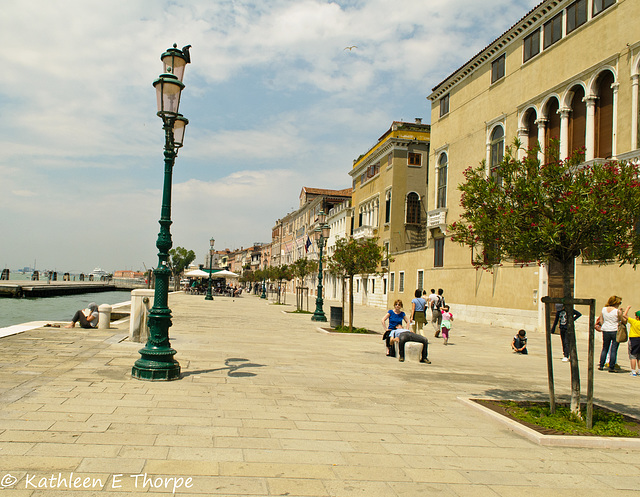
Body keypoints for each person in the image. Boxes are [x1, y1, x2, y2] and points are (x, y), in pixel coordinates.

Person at [596, 295, 628, 373]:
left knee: (605, 348)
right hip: (614, 330)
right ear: (616, 303)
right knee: (613, 349)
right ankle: (611, 367)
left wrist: (603, 326)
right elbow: (621, 320)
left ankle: (601, 364)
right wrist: (623, 313)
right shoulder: (617, 311)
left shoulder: (604, 309)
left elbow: (601, 319)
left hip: (606, 330)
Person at [623, 309, 640, 376]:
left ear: (637, 317)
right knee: (639, 356)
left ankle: (633, 371)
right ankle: (639, 370)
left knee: (633, 356)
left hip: (634, 339)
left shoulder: (634, 321)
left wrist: (627, 308)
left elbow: (624, 315)